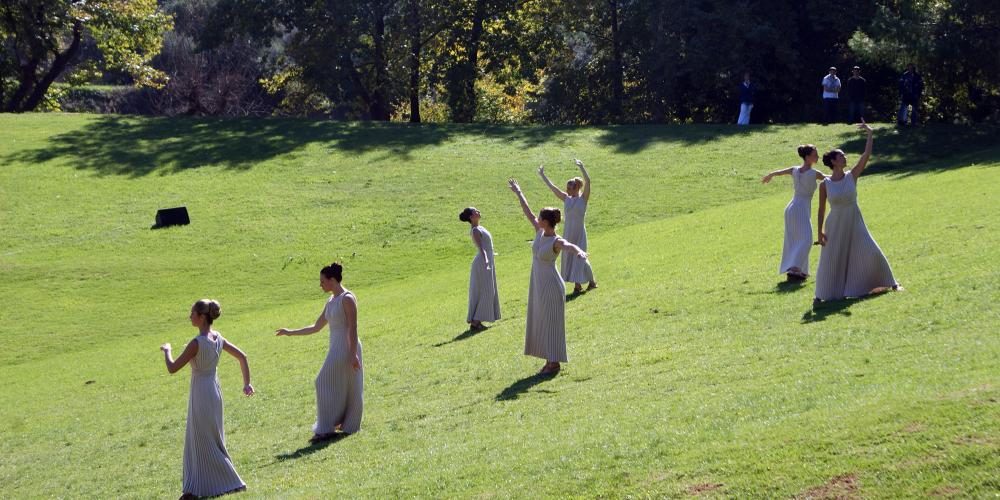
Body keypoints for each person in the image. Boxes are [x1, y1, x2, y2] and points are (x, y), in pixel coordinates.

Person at [160, 299, 253, 500]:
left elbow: (172, 368)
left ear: (202, 317)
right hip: (214, 391)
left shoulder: (197, 343)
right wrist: (247, 383)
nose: (190, 316)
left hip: (201, 393)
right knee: (212, 438)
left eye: (192, 313)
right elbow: (242, 357)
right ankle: (197, 488)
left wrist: (167, 350)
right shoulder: (217, 338)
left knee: (200, 439)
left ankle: (211, 486)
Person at [814, 120, 901, 304]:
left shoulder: (852, 175)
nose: (845, 158)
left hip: (854, 221)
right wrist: (819, 231)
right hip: (835, 224)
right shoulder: (825, 185)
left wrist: (870, 133)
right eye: (842, 156)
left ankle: (892, 284)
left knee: (871, 250)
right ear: (833, 161)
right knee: (831, 259)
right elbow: (821, 209)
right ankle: (820, 296)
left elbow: (866, 154)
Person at [508, 178, 589, 375]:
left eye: (540, 218)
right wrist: (519, 192)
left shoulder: (555, 240)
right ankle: (549, 361)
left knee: (552, 323)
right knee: (543, 321)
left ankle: (554, 363)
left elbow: (569, 246)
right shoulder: (539, 232)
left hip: (551, 285)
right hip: (538, 284)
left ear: (546, 221)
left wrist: (579, 251)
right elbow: (527, 211)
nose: (536, 219)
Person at [275, 263, 363, 442]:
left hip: (347, 347)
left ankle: (325, 429)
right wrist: (290, 332)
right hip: (336, 346)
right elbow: (316, 327)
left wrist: (353, 353)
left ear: (332, 280)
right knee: (342, 384)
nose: (320, 285)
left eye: (323, 281)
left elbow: (352, 328)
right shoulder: (331, 301)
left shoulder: (347, 298)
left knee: (322, 381)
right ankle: (339, 424)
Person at [761, 144, 826, 281]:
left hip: (791, 208)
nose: (817, 156)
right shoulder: (814, 173)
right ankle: (794, 268)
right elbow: (830, 178)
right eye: (815, 154)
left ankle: (799, 269)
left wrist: (771, 175)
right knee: (807, 239)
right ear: (807, 157)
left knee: (797, 239)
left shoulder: (795, 169)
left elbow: (779, 172)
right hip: (800, 208)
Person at [537, 159, 598, 293]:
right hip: (568, 232)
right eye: (567, 188)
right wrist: (543, 176)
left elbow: (588, 181)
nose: (567, 190)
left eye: (569, 188)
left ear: (576, 188)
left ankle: (591, 282)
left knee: (581, 257)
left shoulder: (583, 199)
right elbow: (553, 188)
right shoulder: (566, 198)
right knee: (571, 257)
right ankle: (578, 285)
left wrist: (581, 167)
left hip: (579, 233)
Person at [459, 207, 501, 330]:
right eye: (475, 211)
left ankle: (476, 321)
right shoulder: (475, 230)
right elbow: (481, 247)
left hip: (487, 262)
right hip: (482, 263)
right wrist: (486, 260)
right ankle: (475, 322)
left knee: (488, 290)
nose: (478, 211)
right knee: (488, 291)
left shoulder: (481, 228)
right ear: (472, 217)